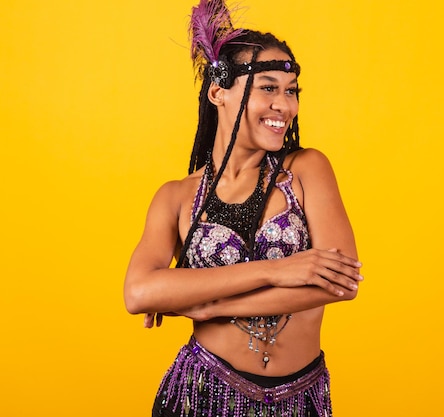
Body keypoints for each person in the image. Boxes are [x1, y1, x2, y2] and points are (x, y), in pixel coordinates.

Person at [124, 1, 363, 416]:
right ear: (218, 92)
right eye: (268, 88)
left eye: (291, 92)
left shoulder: (306, 170)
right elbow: (139, 292)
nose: (284, 106)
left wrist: (204, 304)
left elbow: (339, 283)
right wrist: (276, 270)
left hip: (298, 400)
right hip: (200, 395)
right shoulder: (177, 197)